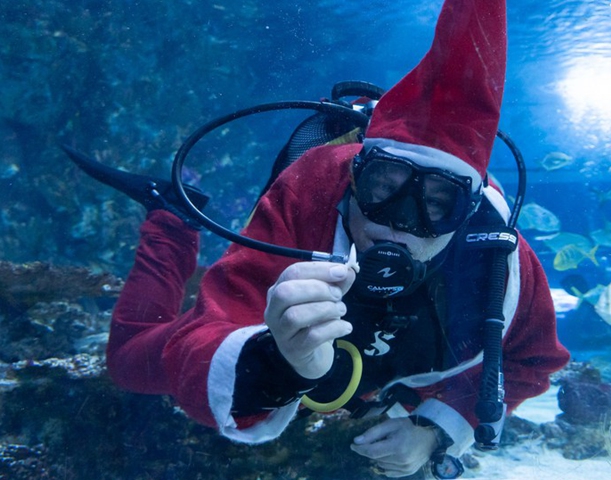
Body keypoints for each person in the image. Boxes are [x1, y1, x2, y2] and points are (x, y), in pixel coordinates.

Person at [64, 0, 569, 477]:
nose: (397, 224)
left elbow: (531, 359)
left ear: (468, 213)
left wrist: (437, 428)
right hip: (297, 344)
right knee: (128, 363)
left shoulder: (497, 256)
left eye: (437, 205)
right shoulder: (312, 189)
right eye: (382, 189)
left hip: (389, 374)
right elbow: (214, 322)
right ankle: (173, 217)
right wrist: (276, 364)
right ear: (353, 180)